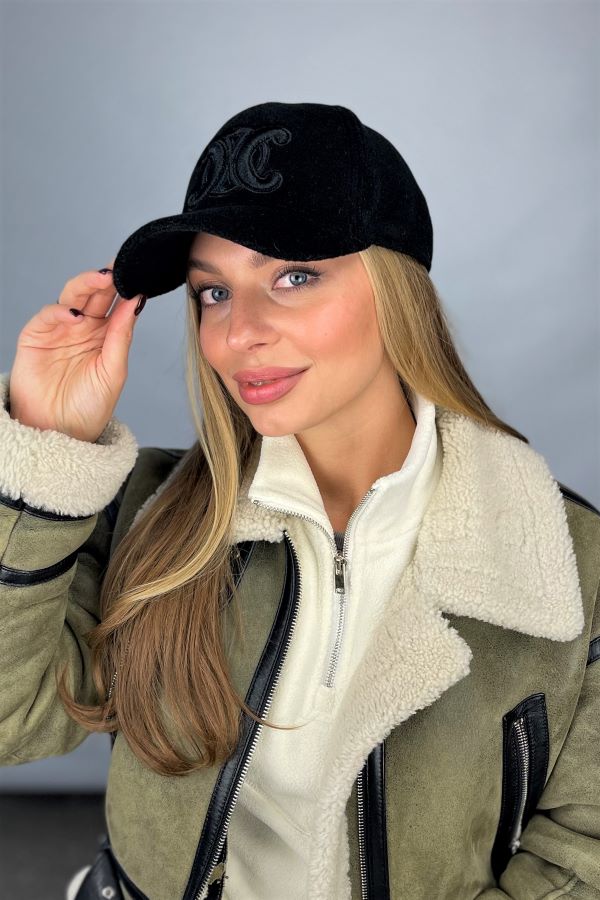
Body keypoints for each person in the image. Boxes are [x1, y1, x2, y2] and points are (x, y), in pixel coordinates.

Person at [0, 101, 598, 900]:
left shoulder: (569, 563)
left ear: (397, 291)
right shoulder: (145, 515)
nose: (239, 332)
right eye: (213, 293)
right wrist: (46, 450)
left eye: (293, 276)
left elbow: (584, 853)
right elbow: (11, 724)